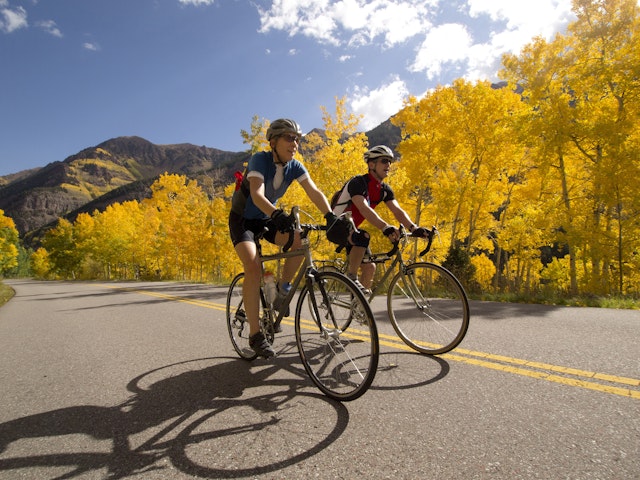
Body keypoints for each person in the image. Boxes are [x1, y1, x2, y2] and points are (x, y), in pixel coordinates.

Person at [229, 118, 338, 358]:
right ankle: (256, 336)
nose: (295, 143)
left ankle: (282, 289)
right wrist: (276, 213)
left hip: (266, 218)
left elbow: (314, 191)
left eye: (297, 139)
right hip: (243, 220)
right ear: (274, 141)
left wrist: (330, 217)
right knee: (253, 266)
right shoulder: (260, 160)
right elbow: (257, 195)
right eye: (289, 138)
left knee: (298, 239)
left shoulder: (295, 167)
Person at [328, 145, 430, 292]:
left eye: (390, 161)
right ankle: (351, 278)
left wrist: (414, 228)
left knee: (370, 267)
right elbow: (363, 207)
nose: (388, 165)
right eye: (384, 161)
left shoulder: (384, 190)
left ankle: (358, 310)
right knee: (363, 237)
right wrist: (385, 227)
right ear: (371, 164)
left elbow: (398, 211)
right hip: (337, 226)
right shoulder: (358, 182)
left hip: (354, 230)